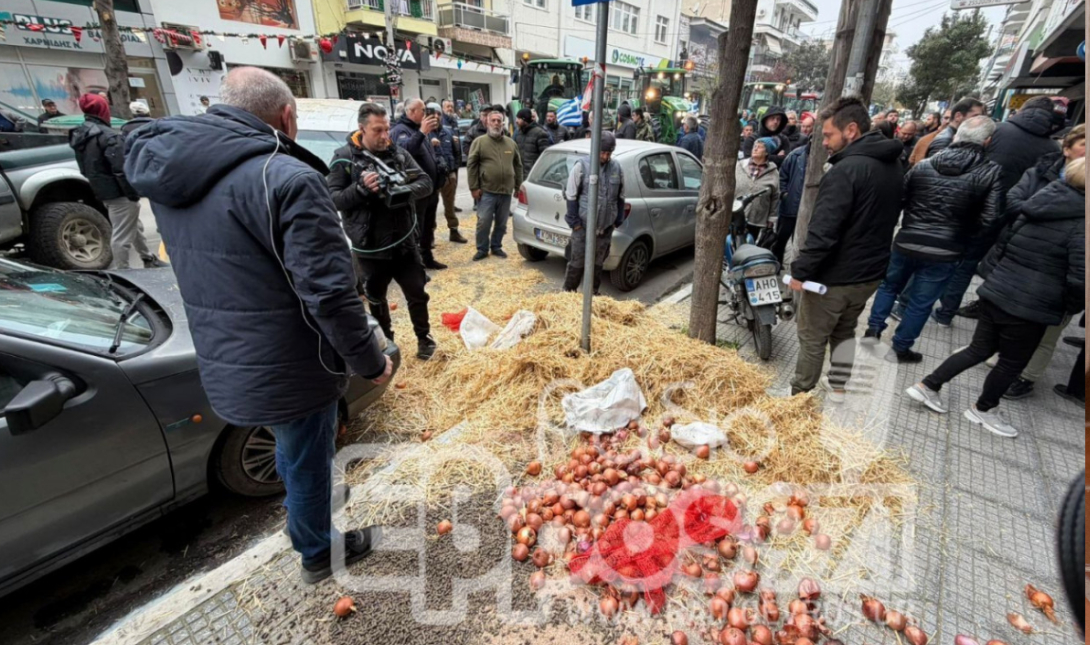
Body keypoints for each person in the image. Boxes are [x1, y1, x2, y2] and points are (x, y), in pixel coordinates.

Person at [124, 67, 392, 583]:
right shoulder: (285, 177)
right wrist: (369, 359)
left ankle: (305, 505)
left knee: (293, 443)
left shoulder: (172, 171)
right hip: (290, 356)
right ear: (287, 116)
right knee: (308, 449)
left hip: (227, 347)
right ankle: (317, 548)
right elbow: (330, 294)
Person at [906, 157, 1084, 438]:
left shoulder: (1037, 204)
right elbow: (1080, 279)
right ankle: (984, 409)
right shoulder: (1082, 225)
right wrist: (1069, 307)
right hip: (1032, 306)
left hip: (998, 291)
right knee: (1011, 363)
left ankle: (928, 385)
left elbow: (1004, 245)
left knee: (978, 348)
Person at [788, 95, 904, 400]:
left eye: (828, 135)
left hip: (834, 277)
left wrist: (800, 270)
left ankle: (798, 401)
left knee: (812, 338)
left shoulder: (845, 171)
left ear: (850, 130)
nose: (824, 142)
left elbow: (823, 231)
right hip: (869, 275)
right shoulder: (892, 165)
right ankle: (838, 386)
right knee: (844, 330)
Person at [863, 116, 1003, 363]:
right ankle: (901, 347)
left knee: (888, 286)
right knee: (920, 302)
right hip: (947, 249)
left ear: (957, 136)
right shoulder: (990, 172)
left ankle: (873, 331)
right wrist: (965, 235)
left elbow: (900, 199)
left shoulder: (924, 165)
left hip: (907, 239)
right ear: (988, 141)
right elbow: (990, 217)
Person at [327, 101, 437, 361]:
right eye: (378, 130)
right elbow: (332, 199)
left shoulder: (398, 154)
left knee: (417, 294)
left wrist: (402, 191)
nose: (385, 136)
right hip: (370, 248)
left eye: (387, 129)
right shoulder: (344, 158)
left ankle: (424, 338)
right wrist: (361, 190)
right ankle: (386, 343)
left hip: (404, 244)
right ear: (362, 129)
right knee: (376, 300)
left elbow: (426, 182)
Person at [996, 124, 1085, 399]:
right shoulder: (1040, 172)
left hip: (1059, 276)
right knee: (1013, 322)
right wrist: (1034, 216)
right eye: (1084, 143)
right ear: (1067, 148)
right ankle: (1005, 360)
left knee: (1047, 334)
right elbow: (1013, 200)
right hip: (1026, 259)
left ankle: (1026, 377)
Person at [70, 93, 161, 270]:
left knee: (132, 226)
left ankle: (148, 257)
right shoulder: (108, 136)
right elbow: (121, 169)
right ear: (103, 110)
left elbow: (84, 168)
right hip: (119, 192)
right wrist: (132, 193)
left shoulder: (81, 134)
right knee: (122, 235)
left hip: (104, 191)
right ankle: (124, 271)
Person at [563, 132, 624, 293]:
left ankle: (592, 293)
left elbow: (621, 196)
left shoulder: (617, 168)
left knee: (598, 263)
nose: (605, 156)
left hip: (604, 228)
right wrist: (575, 223)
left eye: (609, 153)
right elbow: (571, 195)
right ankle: (568, 292)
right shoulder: (581, 166)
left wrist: (618, 220)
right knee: (577, 262)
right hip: (583, 227)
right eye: (603, 152)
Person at [391, 98, 447, 270]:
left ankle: (427, 258)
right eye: (422, 110)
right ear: (410, 112)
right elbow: (405, 152)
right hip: (417, 190)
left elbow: (428, 152)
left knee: (428, 227)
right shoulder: (401, 130)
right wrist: (422, 132)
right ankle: (415, 266)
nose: (426, 113)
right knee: (417, 228)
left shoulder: (421, 130)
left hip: (430, 189)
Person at [467, 107, 522, 261]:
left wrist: (518, 186)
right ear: (487, 122)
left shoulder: (511, 143)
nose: (496, 123)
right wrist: (473, 187)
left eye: (499, 120)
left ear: (502, 122)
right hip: (487, 191)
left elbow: (518, 165)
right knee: (484, 222)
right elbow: (471, 166)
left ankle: (496, 246)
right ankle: (482, 249)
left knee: (502, 223)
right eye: (493, 120)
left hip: (506, 192)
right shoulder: (479, 142)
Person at [985, 95, 1064, 194]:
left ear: (1022, 109)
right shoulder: (1055, 148)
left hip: (981, 195)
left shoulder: (995, 129)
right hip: (1019, 203)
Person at [430, 103, 467, 244]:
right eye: (432, 114)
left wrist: (453, 171)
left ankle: (454, 231)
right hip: (433, 178)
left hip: (449, 176)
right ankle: (430, 235)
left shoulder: (448, 132)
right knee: (431, 208)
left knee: (450, 207)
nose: (436, 117)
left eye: (439, 114)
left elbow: (457, 152)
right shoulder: (424, 133)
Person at [734, 138, 781, 245]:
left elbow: (775, 197)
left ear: (767, 152)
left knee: (750, 248)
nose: (755, 148)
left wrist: (772, 219)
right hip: (736, 216)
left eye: (759, 147)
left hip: (757, 220)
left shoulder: (773, 173)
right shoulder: (739, 166)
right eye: (754, 146)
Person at [774, 134, 808, 264]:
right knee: (781, 239)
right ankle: (777, 263)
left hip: (808, 209)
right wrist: (784, 194)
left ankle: (796, 266)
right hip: (790, 206)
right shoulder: (795, 155)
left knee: (801, 241)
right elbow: (783, 176)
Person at [441, 99, 465, 217]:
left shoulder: (454, 121)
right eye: (447, 106)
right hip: (446, 159)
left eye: (451, 106)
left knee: (454, 184)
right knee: (448, 185)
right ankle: (449, 207)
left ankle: (452, 204)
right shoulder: (441, 121)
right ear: (442, 108)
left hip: (455, 157)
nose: (450, 108)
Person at [514, 108, 551, 182]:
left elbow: (546, 157)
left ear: (524, 119)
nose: (516, 121)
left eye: (518, 118)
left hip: (534, 177)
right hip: (520, 176)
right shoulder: (518, 133)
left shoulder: (540, 133)